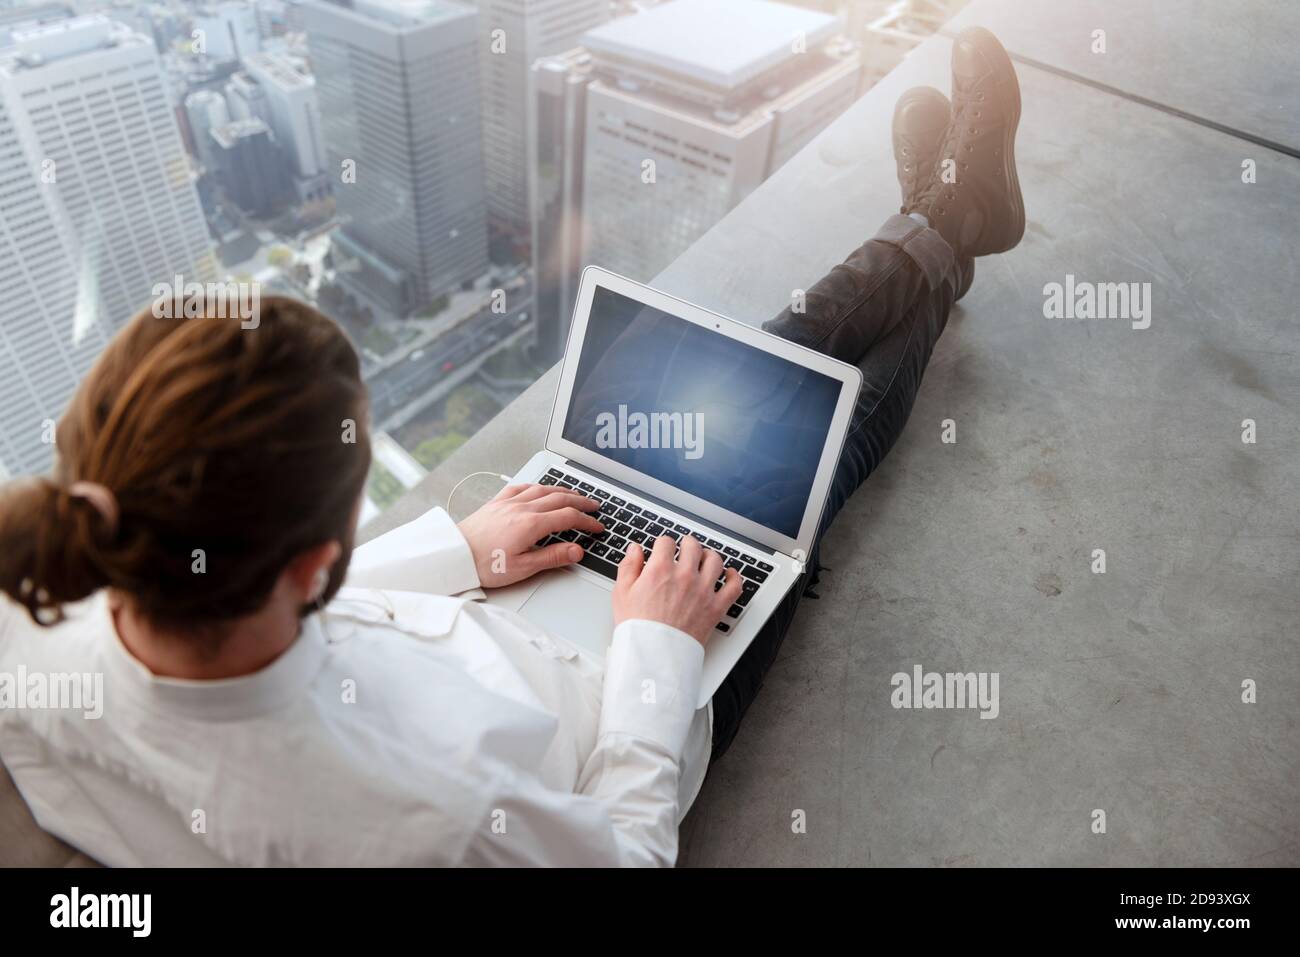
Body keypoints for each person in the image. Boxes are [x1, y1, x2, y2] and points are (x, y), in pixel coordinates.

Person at [0, 27, 1023, 866]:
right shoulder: (427, 814)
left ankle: (944, 219)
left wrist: (455, 553)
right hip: (625, 698)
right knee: (801, 461)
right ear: (316, 562)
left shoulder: (29, 617)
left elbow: (228, 611)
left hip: (488, 607)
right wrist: (655, 651)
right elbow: (628, 855)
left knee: (752, 384)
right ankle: (950, 215)